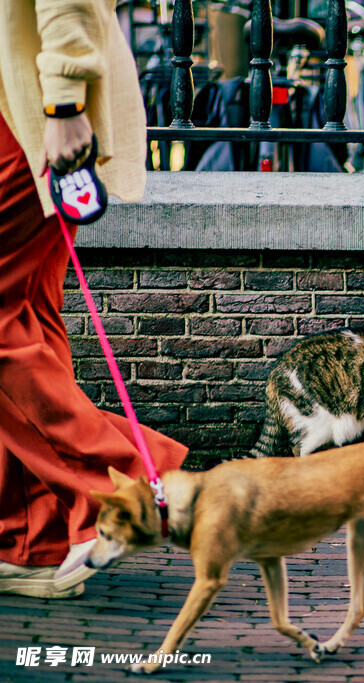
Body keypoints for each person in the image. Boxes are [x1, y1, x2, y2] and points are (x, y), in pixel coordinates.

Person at [0, 0, 187, 599]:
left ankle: (128, 480)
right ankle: (32, 543)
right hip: (22, 107)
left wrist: (64, 101)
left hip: (24, 113)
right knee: (24, 319)